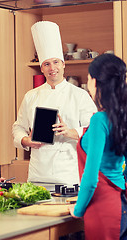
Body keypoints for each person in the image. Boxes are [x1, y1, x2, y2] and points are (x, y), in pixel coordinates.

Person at [12, 21, 97, 187]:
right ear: (42, 68)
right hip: (38, 175)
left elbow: (93, 130)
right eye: (47, 64)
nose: (52, 68)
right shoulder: (31, 96)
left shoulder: (80, 95)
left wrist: (70, 131)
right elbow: (18, 127)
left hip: (69, 176)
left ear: (64, 65)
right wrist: (25, 141)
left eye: (56, 62)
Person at [69, 53, 127, 240]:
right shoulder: (121, 118)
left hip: (102, 208)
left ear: (94, 82)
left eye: (88, 79)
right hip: (121, 204)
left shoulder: (99, 120)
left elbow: (91, 176)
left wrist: (78, 210)